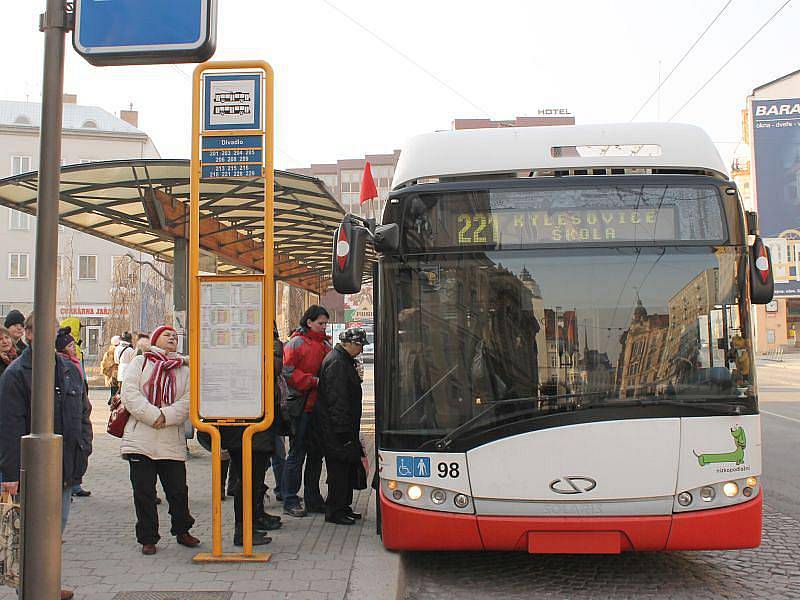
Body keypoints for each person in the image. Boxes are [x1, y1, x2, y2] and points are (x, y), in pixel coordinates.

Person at [0, 312, 92, 600]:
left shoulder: (68, 368)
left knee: (54, 533)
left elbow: (83, 412)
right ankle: (30, 587)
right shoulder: (16, 374)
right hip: (29, 471)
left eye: (50, 329)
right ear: (28, 334)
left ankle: (47, 582)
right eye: (38, 330)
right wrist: (12, 475)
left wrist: (84, 449)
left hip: (64, 466)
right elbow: (10, 426)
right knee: (29, 534)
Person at [120, 325, 199, 555]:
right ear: (155, 339)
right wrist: (154, 415)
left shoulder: (184, 369)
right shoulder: (141, 362)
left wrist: (166, 416)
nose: (172, 338)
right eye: (167, 335)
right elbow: (130, 393)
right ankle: (147, 537)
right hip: (140, 438)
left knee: (177, 490)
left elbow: (188, 400)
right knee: (144, 491)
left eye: (175, 336)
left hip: (170, 438)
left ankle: (182, 530)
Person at [281, 305, 331, 517]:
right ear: (309, 322)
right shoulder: (296, 343)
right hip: (302, 407)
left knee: (316, 455)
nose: (323, 327)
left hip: (319, 409)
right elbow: (288, 371)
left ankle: (313, 498)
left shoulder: (326, 344)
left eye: (325, 323)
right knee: (297, 453)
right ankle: (290, 498)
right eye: (320, 323)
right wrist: (313, 381)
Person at [315, 327, 367, 525]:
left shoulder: (342, 360)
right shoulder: (337, 363)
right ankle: (335, 510)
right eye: (360, 345)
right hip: (336, 431)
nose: (361, 350)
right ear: (350, 344)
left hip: (341, 428)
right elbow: (338, 401)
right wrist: (343, 431)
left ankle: (343, 507)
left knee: (344, 470)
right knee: (338, 472)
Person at [56, 326, 92, 498]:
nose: (73, 349)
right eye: (70, 346)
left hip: (78, 413)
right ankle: (72, 484)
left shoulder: (74, 363)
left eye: (73, 345)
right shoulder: (64, 366)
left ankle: (74, 483)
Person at [101, 335, 121, 403]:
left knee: (113, 388)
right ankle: (114, 399)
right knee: (117, 389)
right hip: (117, 373)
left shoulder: (108, 352)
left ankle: (112, 399)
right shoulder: (119, 351)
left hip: (111, 374)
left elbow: (104, 364)